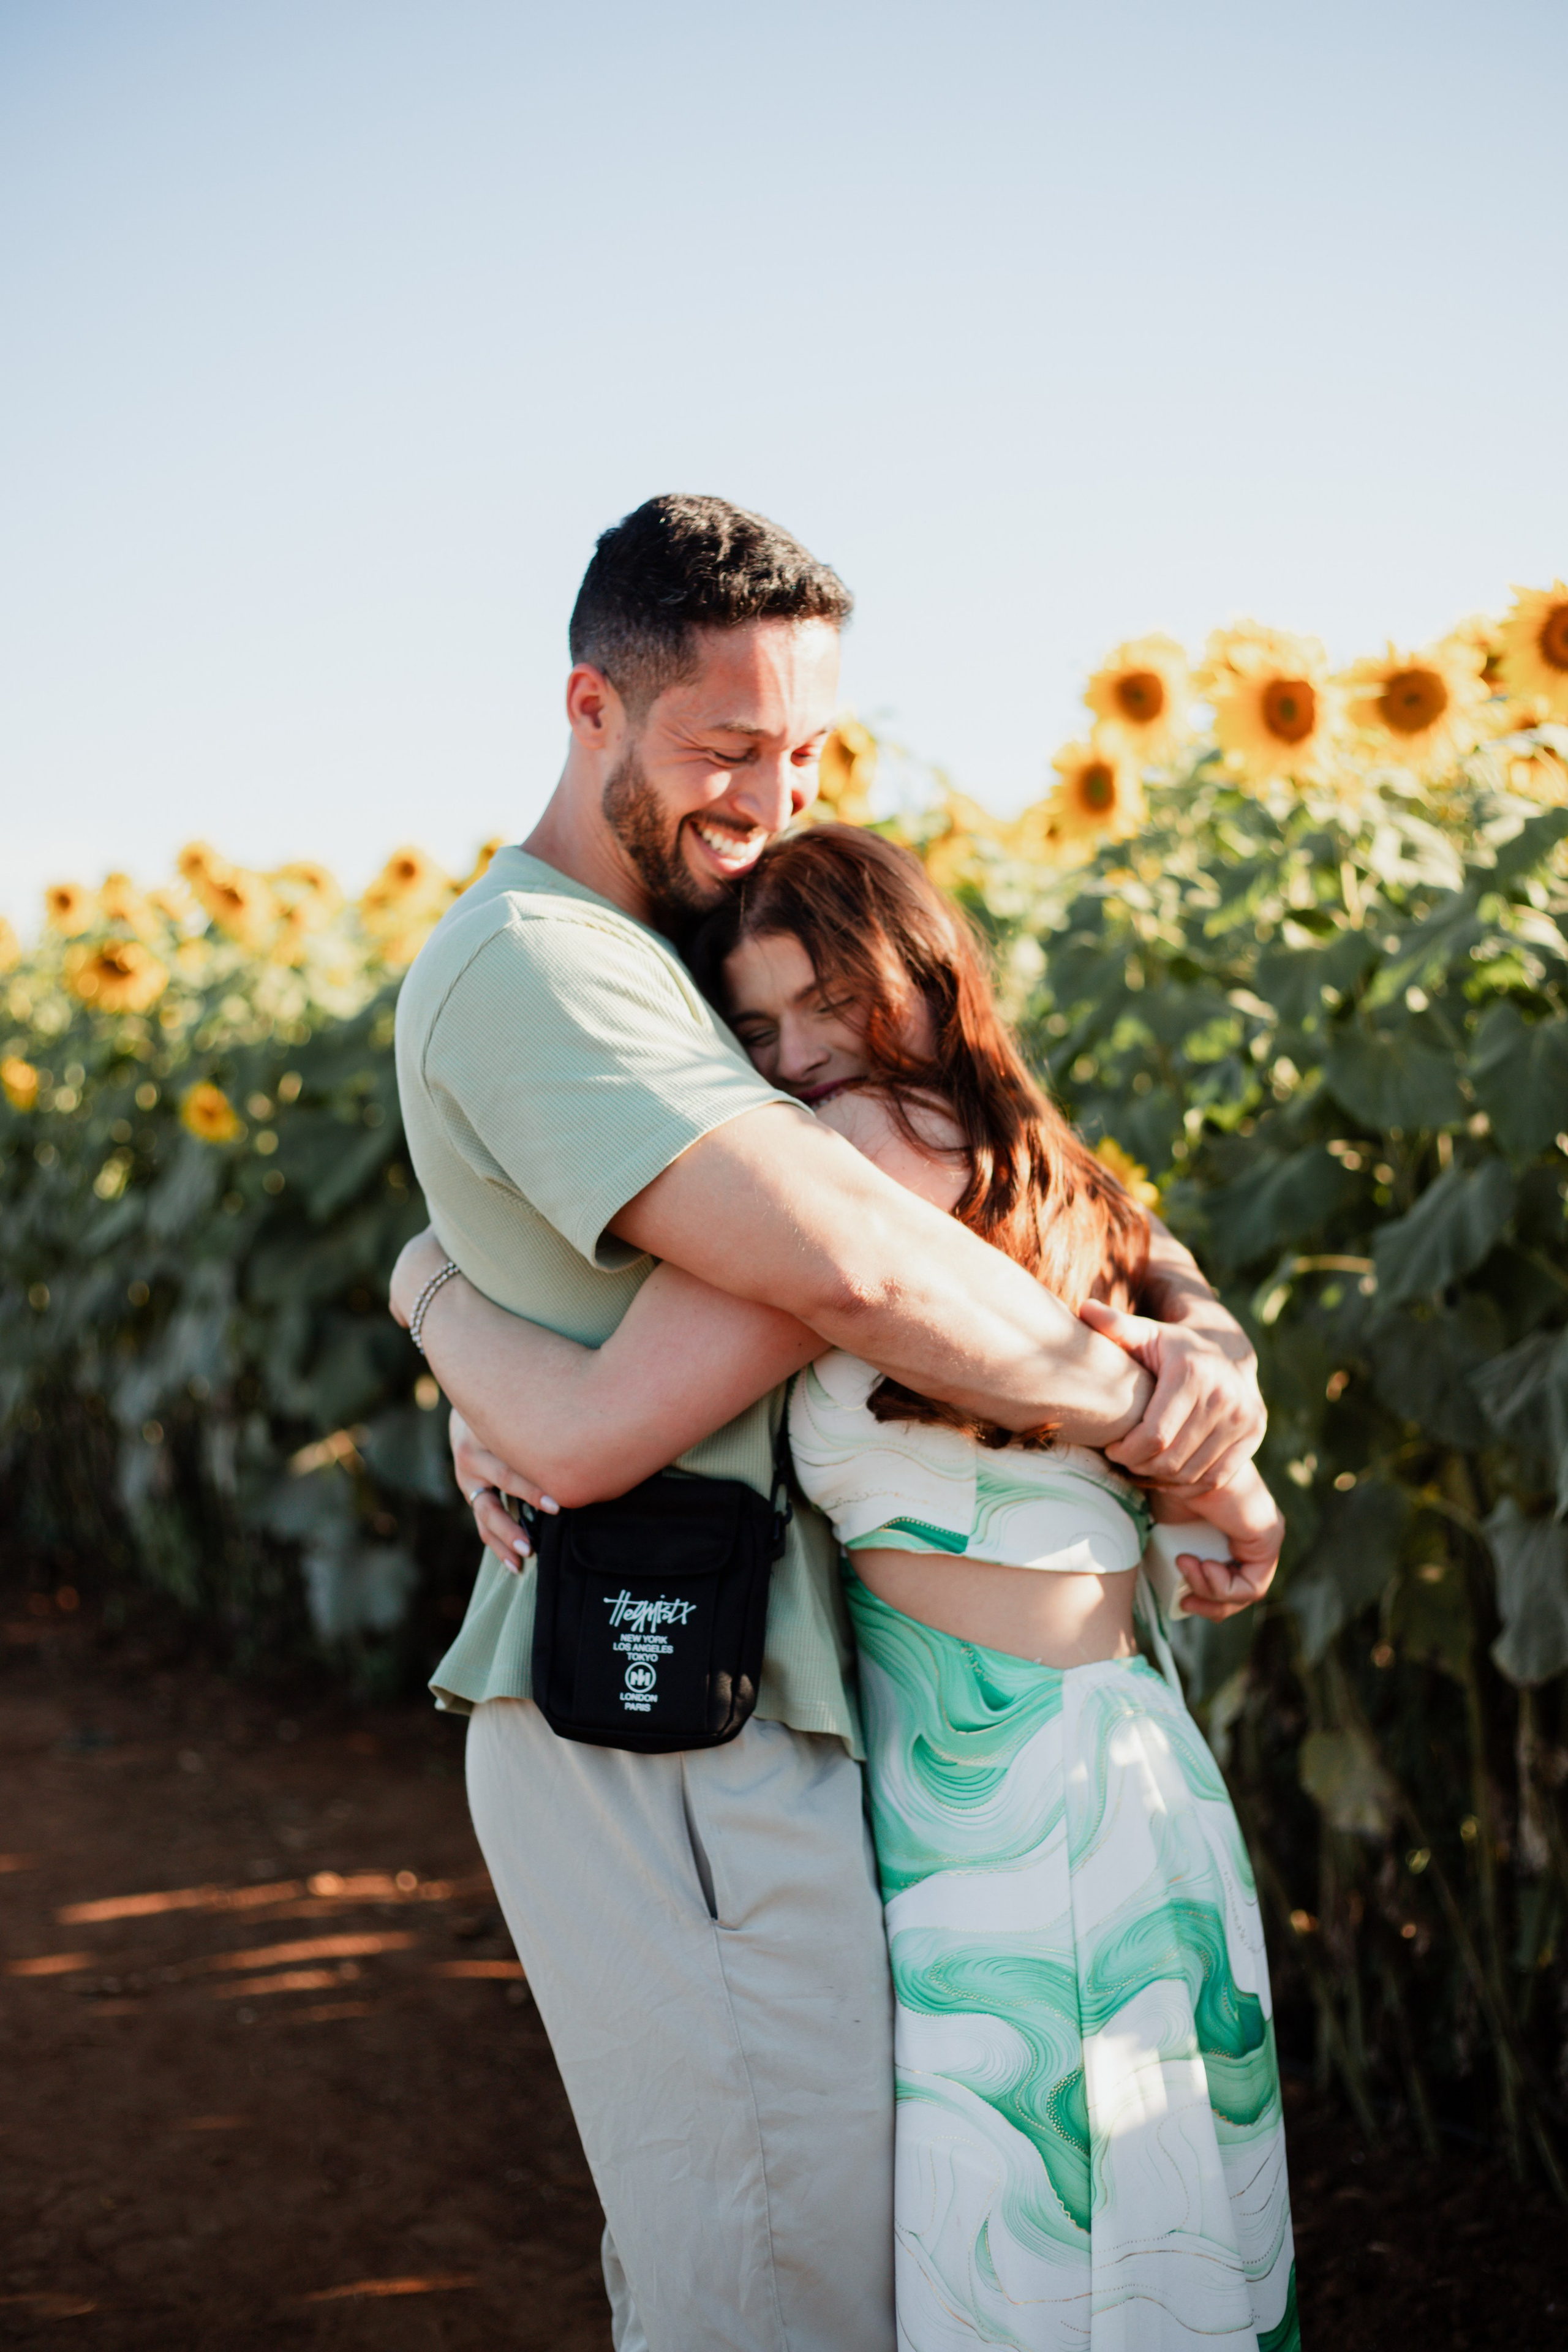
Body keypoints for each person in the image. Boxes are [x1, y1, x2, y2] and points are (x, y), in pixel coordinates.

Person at [391, 494, 1274, 2352]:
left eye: (803, 751)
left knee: (846, 2271)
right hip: (662, 1702)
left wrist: (1201, 1333)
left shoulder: (708, 958)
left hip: (807, 1702)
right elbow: (857, 1265)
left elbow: (993, 1150)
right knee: (773, 2293)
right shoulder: (550, 964)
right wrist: (1155, 1414)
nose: (769, 797)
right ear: (589, 706)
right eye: (725, 748)